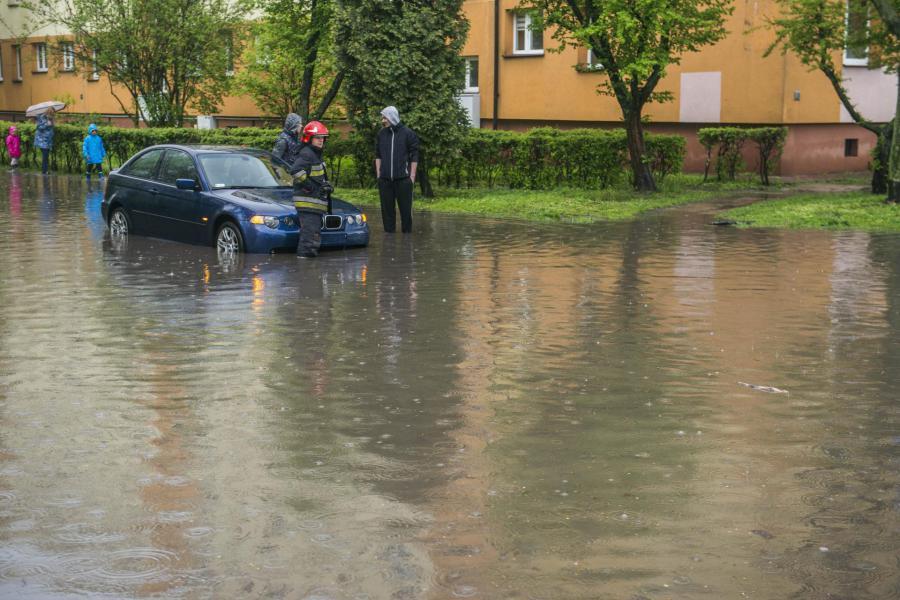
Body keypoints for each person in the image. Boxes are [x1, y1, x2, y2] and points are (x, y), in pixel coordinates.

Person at [290, 121, 333, 258]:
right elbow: (296, 171)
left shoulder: (315, 154)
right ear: (309, 138)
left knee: (313, 238)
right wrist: (311, 187)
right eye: (318, 138)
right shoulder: (307, 154)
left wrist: (325, 185)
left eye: (323, 138)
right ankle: (305, 273)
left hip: (314, 203)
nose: (321, 140)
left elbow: (317, 176)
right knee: (309, 241)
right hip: (308, 204)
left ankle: (308, 272)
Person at [375, 106, 419, 233]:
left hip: (403, 180)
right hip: (385, 181)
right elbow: (378, 155)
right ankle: (389, 243)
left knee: (406, 213)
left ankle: (407, 243)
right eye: (382, 117)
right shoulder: (381, 134)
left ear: (392, 117)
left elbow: (414, 156)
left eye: (385, 117)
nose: (383, 120)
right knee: (387, 213)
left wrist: (412, 177)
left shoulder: (408, 133)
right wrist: (379, 174)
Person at [34, 108, 56, 174]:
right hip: (42, 140)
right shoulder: (41, 117)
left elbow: (51, 128)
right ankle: (44, 171)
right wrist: (47, 124)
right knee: (45, 156)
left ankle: (45, 170)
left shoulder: (50, 118)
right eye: (53, 113)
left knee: (46, 156)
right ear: (49, 112)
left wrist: (52, 124)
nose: (54, 114)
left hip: (48, 140)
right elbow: (39, 127)